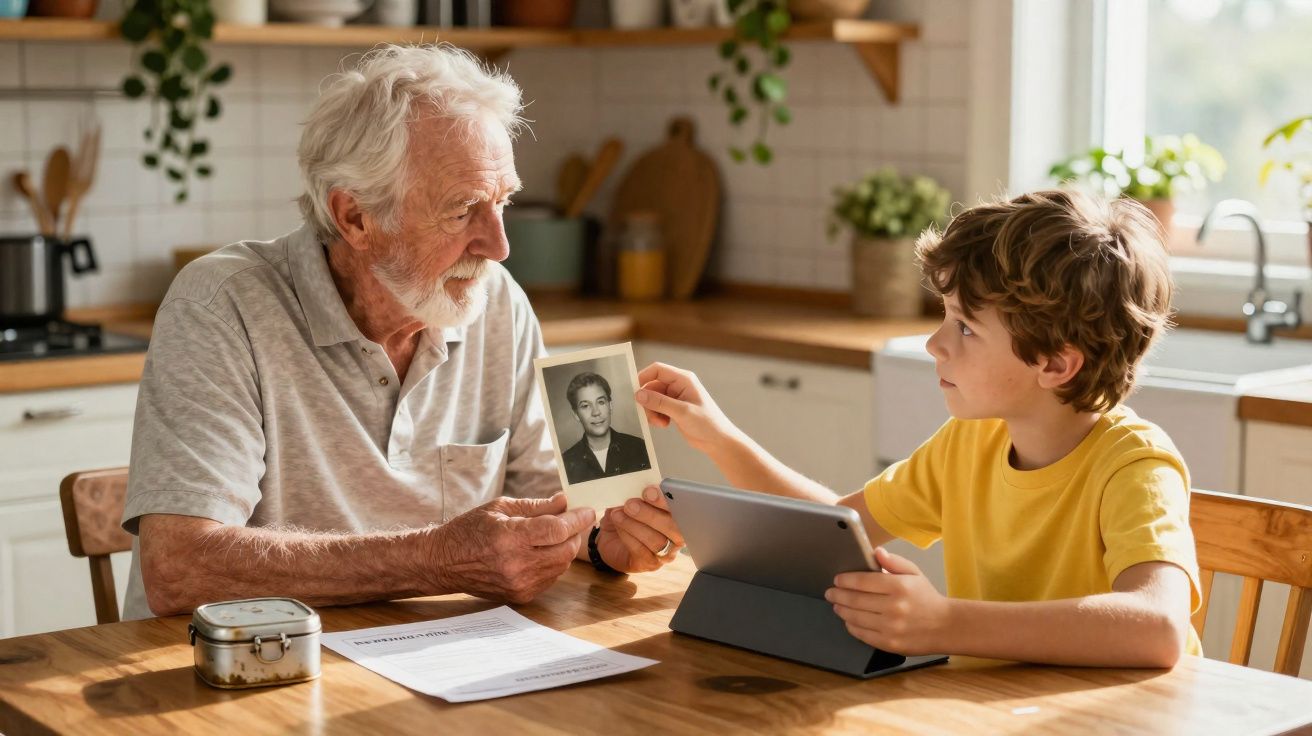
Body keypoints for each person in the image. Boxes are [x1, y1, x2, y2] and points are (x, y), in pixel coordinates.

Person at [119, 44, 683, 621]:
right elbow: (180, 567)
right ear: (356, 218)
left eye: (502, 202)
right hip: (232, 677)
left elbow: (552, 505)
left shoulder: (494, 300)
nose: (500, 246)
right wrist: (436, 559)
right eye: (463, 210)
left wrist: (600, 539)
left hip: (427, 671)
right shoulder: (221, 305)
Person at [634, 190, 1200, 667]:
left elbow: (1157, 627)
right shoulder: (971, 442)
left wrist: (947, 623)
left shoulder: (1134, 465)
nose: (935, 343)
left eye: (966, 328)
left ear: (1055, 363)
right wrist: (715, 435)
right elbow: (837, 529)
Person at [560, 372, 652, 484]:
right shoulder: (565, 463)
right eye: (585, 406)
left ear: (610, 405)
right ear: (576, 414)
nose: (596, 412)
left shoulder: (640, 448)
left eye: (601, 402)